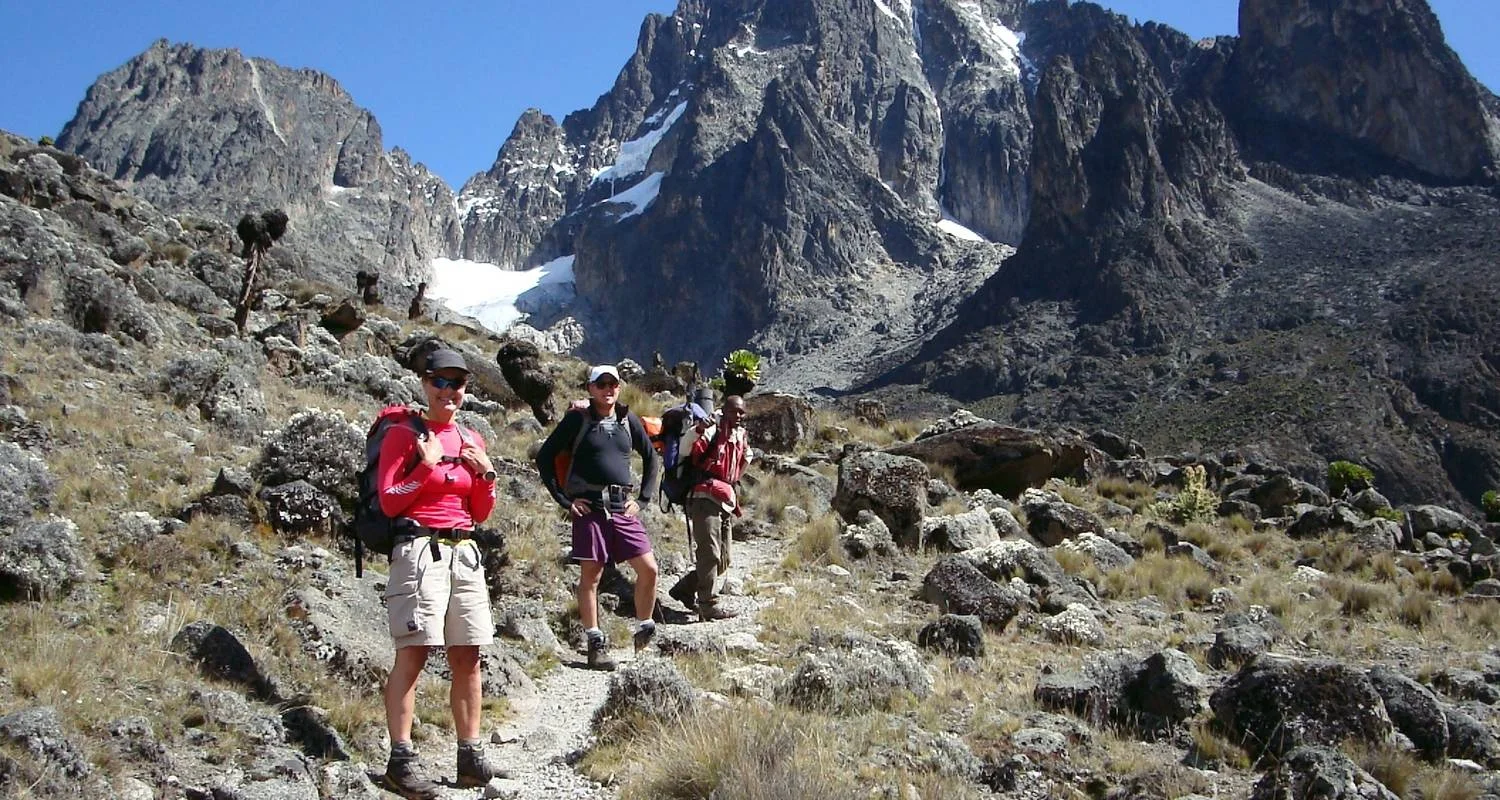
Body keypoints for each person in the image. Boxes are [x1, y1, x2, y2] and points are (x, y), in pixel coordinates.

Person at [376, 348, 505, 799]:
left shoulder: (471, 438)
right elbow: (390, 500)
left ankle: (469, 754)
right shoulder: (403, 435)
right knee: (414, 652)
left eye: (458, 383)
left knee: (468, 655)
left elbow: (480, 513)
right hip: (418, 551)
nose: (448, 391)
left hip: (464, 552)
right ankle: (400, 759)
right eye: (440, 382)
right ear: (424, 383)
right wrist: (426, 465)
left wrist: (486, 475)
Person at [535, 365, 662, 669]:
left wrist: (643, 500)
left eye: (613, 384)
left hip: (621, 506)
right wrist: (565, 500)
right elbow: (545, 457)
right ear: (590, 388)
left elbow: (651, 457)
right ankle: (595, 643)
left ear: (619, 387)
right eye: (601, 384)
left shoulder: (627, 419)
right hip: (589, 507)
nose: (608, 389)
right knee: (591, 576)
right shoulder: (577, 420)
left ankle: (644, 630)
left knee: (649, 569)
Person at [685, 394, 751, 621]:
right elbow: (686, 449)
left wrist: (733, 480)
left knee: (724, 558)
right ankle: (708, 605)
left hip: (725, 500)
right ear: (725, 410)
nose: (739, 415)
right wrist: (699, 429)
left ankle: (684, 588)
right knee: (710, 553)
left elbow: (746, 457)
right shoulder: (711, 430)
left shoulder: (740, 435)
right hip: (705, 497)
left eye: (742, 411)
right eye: (734, 411)